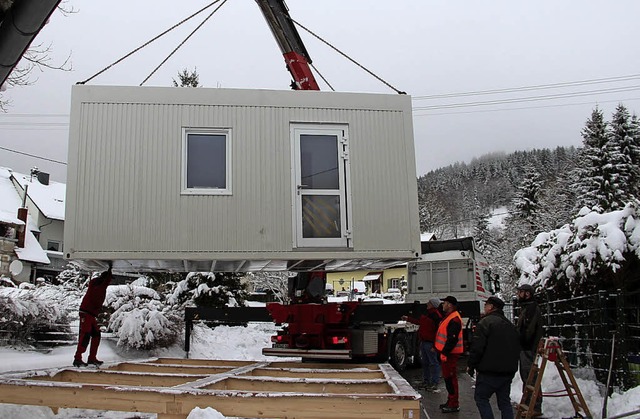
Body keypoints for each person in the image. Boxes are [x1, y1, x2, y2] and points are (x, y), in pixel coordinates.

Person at [467, 296, 520, 419]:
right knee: (504, 402)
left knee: (481, 398)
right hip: (507, 372)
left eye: (486, 305)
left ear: (491, 307)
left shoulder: (485, 323)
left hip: (489, 372)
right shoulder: (510, 325)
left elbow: (477, 348)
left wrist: (471, 365)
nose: (484, 307)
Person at [73, 266, 113, 367]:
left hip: (90, 313)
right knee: (85, 335)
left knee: (96, 335)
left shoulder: (96, 284)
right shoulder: (99, 286)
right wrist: (109, 271)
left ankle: (92, 358)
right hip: (86, 313)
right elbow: (105, 282)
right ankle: (78, 358)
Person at [402, 297, 443, 391]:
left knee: (433, 363)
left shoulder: (435, 316)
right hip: (425, 342)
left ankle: (434, 382)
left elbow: (438, 331)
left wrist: (435, 345)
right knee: (426, 363)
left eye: (429, 303)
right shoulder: (429, 314)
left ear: (433, 304)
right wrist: (408, 319)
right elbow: (419, 322)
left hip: (430, 343)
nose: (427, 304)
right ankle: (427, 381)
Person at [516, 283, 545, 417]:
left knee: (530, 377)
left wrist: (521, 340)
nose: (518, 295)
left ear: (527, 294)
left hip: (528, 347)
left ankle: (535, 406)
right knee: (526, 377)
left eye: (521, 292)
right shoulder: (527, 307)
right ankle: (528, 403)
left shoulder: (532, 308)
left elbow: (529, 329)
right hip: (525, 347)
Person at [435, 295, 464, 413]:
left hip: (450, 354)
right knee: (448, 378)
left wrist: (445, 352)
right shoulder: (450, 317)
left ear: (450, 305)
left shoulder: (454, 319)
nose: (443, 305)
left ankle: (453, 403)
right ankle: (450, 400)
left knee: (450, 379)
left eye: (445, 303)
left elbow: (452, 338)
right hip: (447, 353)